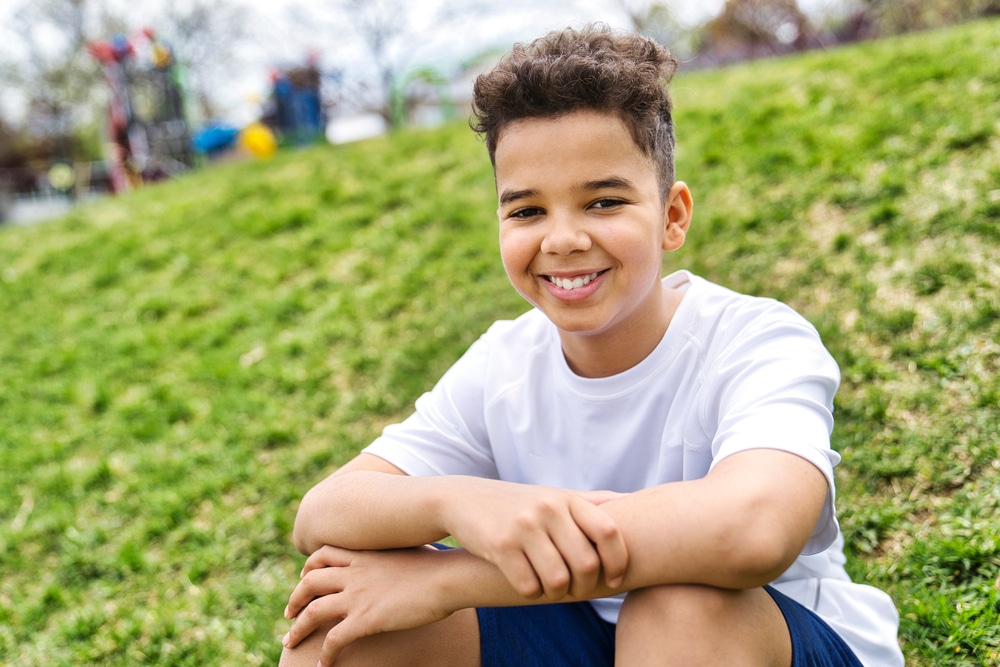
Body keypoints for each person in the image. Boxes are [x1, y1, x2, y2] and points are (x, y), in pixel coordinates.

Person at [279, 24, 904, 667]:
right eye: (526, 211)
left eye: (603, 201)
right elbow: (323, 513)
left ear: (672, 216)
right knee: (343, 620)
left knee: (679, 607)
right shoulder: (504, 365)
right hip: (582, 638)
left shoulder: (757, 339)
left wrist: (450, 578)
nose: (563, 239)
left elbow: (751, 530)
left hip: (759, 637)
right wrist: (457, 501)